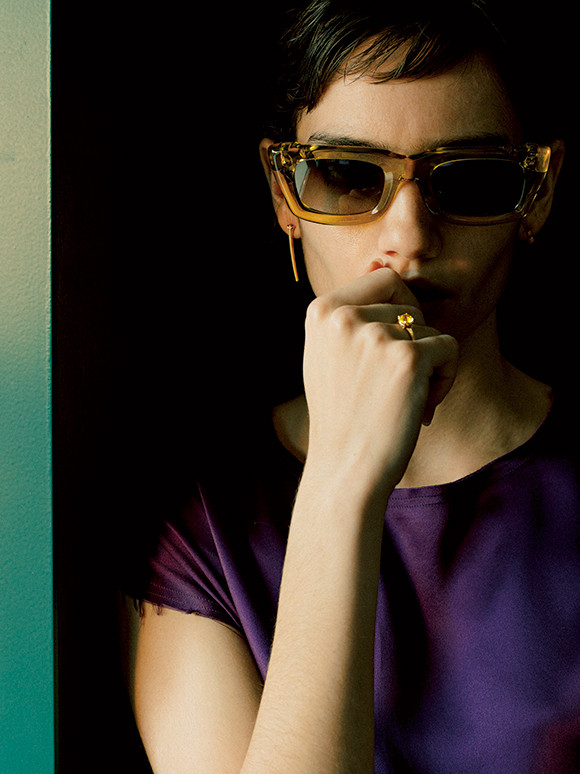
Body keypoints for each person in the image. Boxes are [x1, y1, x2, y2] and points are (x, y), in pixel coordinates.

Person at [122, 1, 580, 771]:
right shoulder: (204, 532)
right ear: (284, 194)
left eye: (470, 179)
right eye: (346, 175)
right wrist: (342, 479)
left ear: (536, 191)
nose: (408, 236)